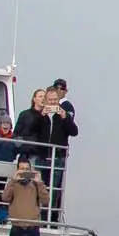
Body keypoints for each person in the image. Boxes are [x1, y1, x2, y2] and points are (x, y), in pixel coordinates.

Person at [43, 82, 78, 216]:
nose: (52, 102)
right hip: (41, 154)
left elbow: (74, 131)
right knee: (38, 185)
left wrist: (65, 117)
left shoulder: (65, 110)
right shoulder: (40, 112)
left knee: (53, 187)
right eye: (50, 99)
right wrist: (41, 114)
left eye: (55, 100)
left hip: (57, 155)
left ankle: (49, 217)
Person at [14, 88, 54, 200]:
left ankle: (32, 203)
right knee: (24, 179)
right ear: (34, 99)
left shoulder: (46, 118)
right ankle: (22, 200)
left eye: (44, 97)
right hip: (26, 153)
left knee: (37, 180)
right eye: (40, 96)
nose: (43, 98)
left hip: (40, 155)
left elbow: (46, 137)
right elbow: (19, 132)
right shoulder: (25, 114)